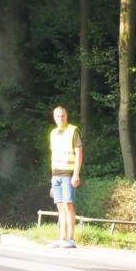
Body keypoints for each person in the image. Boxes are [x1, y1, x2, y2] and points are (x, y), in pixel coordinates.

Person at [47, 105, 83, 249]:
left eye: (62, 116)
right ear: (54, 118)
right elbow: (53, 156)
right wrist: (51, 178)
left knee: (68, 205)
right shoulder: (53, 133)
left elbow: (79, 153)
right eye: (57, 116)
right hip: (56, 175)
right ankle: (62, 238)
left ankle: (71, 238)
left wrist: (76, 174)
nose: (60, 118)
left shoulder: (73, 130)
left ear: (66, 116)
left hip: (68, 174)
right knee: (60, 206)